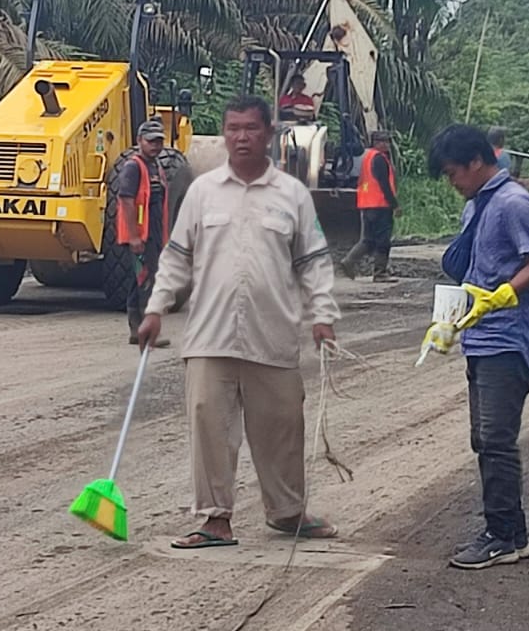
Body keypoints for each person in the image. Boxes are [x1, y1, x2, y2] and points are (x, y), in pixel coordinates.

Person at [140, 95, 340, 549]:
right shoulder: (202, 192)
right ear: (224, 134)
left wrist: (323, 315)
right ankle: (214, 520)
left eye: (251, 128)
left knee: (282, 427)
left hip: (273, 335)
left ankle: (288, 513)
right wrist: (156, 309)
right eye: (233, 129)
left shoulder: (292, 196)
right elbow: (176, 258)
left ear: (268, 133)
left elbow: (313, 262)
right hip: (209, 334)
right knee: (209, 426)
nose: (241, 137)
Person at [428, 124, 529, 570]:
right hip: (480, 337)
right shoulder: (478, 205)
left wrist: (505, 294)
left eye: (452, 173)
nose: (452, 182)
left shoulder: (514, 203)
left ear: (476, 163)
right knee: (484, 438)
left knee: (496, 439)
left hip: (509, 337)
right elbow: (475, 271)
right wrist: (449, 321)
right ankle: (512, 534)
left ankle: (500, 535)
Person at [115, 119, 171, 347]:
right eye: (151, 141)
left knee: (140, 281)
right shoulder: (133, 167)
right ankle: (145, 334)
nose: (155, 146)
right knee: (145, 282)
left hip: (154, 234)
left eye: (159, 142)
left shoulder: (155, 166)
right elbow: (126, 201)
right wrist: (134, 236)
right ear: (139, 141)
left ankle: (136, 330)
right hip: (140, 236)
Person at [339, 131, 401, 283]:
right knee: (383, 240)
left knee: (368, 240)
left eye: (387, 141)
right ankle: (380, 273)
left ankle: (348, 261)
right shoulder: (380, 159)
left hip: (367, 205)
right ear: (376, 142)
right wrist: (395, 205)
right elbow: (384, 185)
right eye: (384, 141)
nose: (387, 144)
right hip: (380, 206)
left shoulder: (367, 157)